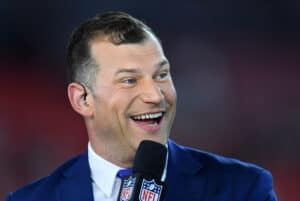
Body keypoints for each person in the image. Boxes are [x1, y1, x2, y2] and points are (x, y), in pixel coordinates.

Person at [6, 11, 277, 201]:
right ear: (83, 99)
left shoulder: (242, 189)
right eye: (129, 80)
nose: (154, 95)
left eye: (161, 75)